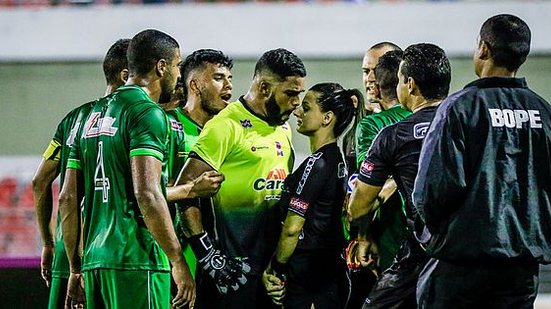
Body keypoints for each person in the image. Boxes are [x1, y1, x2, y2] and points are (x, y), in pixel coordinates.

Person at [414, 14, 551, 308]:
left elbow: (431, 191)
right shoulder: (544, 113)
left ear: (484, 49)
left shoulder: (460, 108)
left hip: (461, 266)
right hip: (522, 270)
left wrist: (431, 235)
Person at [59, 29, 194, 309]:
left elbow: (68, 198)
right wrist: (178, 261)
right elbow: (147, 192)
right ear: (161, 66)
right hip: (136, 257)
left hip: (94, 261)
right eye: (178, 65)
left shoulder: (89, 116)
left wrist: (75, 267)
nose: (180, 74)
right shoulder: (147, 113)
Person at [175, 48, 306, 308]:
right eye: (290, 94)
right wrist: (208, 255)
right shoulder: (226, 126)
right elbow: (185, 190)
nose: (296, 103)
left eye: (299, 94)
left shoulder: (283, 127)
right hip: (231, 274)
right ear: (265, 88)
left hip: (270, 273)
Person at [348, 43, 451, 308]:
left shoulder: (391, 134)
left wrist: (361, 234)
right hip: (473, 248)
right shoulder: (469, 120)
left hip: (420, 246)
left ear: (410, 84)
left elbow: (359, 205)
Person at [32, 38, 130, 309]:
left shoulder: (73, 119)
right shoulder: (133, 118)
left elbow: (40, 181)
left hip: (68, 244)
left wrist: (49, 243)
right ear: (126, 76)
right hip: (110, 243)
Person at [264, 83, 359, 309]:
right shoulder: (337, 159)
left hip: (311, 279)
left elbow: (292, 228)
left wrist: (274, 269)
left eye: (306, 108)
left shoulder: (317, 164)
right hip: (328, 274)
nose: (297, 111)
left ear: (327, 118)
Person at [163, 49, 233, 282]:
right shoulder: (166, 125)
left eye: (229, 78)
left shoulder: (229, 132)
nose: (228, 86)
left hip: (218, 258)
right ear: (194, 85)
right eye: (218, 78)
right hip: (171, 257)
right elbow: (147, 193)